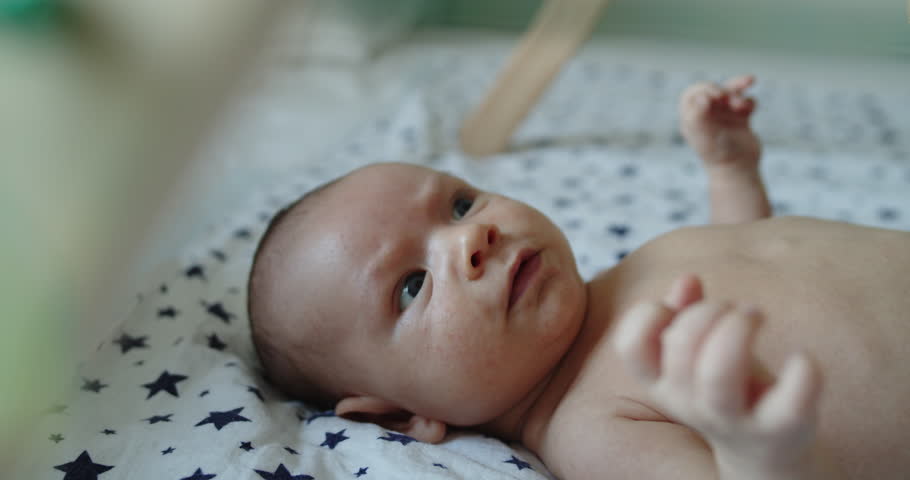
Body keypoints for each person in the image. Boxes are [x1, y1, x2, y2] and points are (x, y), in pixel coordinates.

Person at [246, 75, 910, 479]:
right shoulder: (594, 428)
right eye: (412, 285)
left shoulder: (631, 271)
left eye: (459, 204)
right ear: (397, 414)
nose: (470, 239)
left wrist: (729, 171)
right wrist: (761, 450)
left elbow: (744, 250)